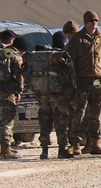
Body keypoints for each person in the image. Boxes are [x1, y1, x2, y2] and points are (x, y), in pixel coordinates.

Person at [66, 10, 101, 155]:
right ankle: (76, 143)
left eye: (96, 21)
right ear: (86, 23)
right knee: (79, 113)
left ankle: (94, 143)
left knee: (96, 113)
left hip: (98, 80)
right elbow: (70, 61)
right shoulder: (77, 39)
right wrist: (73, 80)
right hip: (82, 80)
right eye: (91, 21)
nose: (94, 24)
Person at [28, 31, 75, 160]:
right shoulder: (61, 57)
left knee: (45, 123)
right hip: (58, 96)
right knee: (61, 123)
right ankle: (61, 150)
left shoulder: (40, 57)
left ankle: (44, 151)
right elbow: (70, 75)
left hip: (42, 95)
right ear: (64, 42)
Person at [0, 31, 26, 160]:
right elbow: (19, 75)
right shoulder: (11, 54)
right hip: (6, 92)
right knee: (6, 121)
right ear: (12, 40)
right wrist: (19, 91)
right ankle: (6, 150)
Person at [61, 20, 81, 154]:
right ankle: (78, 142)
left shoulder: (70, 47)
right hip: (76, 85)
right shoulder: (80, 44)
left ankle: (76, 143)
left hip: (76, 85)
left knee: (75, 115)